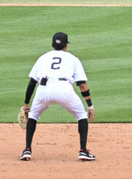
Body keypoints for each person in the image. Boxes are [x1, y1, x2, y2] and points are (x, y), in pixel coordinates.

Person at [19, 32, 94, 161]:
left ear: (52, 44)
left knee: (33, 115)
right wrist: (90, 105)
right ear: (66, 46)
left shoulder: (43, 58)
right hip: (64, 89)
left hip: (43, 89)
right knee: (81, 115)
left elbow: (32, 82)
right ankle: (83, 151)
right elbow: (82, 85)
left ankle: (27, 150)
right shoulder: (73, 59)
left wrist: (26, 104)